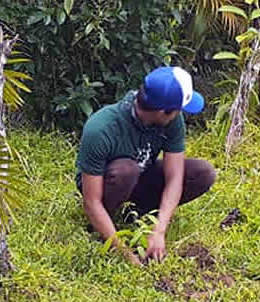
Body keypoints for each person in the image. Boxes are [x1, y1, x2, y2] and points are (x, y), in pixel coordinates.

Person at [75, 66, 216, 266]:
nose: (180, 115)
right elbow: (91, 201)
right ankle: (105, 223)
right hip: (106, 185)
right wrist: (124, 253)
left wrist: (158, 230)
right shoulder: (101, 128)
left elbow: (175, 177)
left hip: (140, 176)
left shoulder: (172, 121)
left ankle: (137, 213)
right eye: (178, 110)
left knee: (202, 173)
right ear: (162, 111)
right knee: (126, 170)